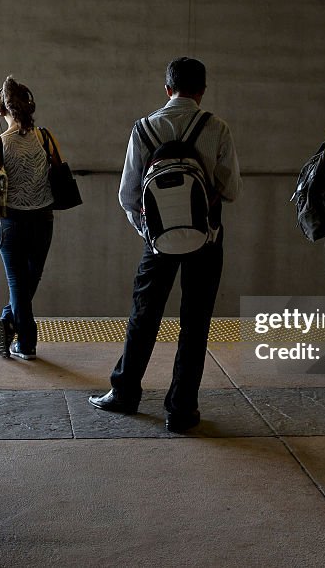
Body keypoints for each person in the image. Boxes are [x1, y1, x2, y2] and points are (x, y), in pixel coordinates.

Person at [89, 57, 241, 433]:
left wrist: (152, 232)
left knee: (144, 317)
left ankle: (124, 393)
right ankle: (182, 409)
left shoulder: (144, 129)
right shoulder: (217, 127)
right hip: (207, 240)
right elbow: (232, 189)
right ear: (202, 90)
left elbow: (127, 196)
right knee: (195, 323)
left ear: (167, 89)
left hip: (156, 244)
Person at [0, 76, 60, 361]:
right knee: (29, 279)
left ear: (0, 110)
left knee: (17, 281)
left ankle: (24, 340)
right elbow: (58, 171)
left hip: (9, 221)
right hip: (43, 219)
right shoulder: (46, 137)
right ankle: (11, 325)